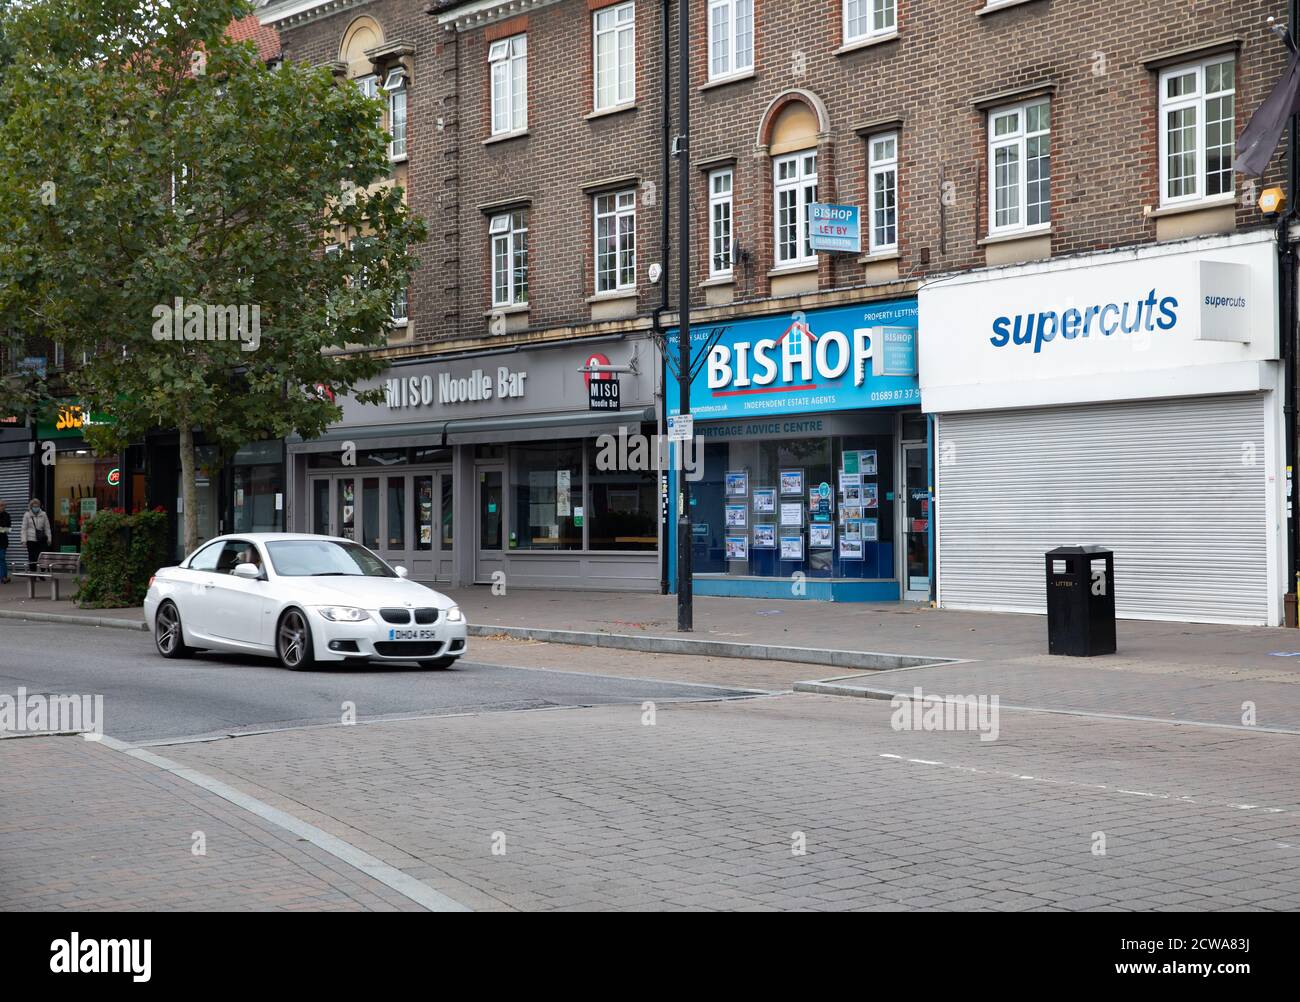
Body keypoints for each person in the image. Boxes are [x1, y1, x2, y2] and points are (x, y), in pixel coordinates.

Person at [20, 499, 52, 572]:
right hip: (30, 539)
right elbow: (24, 529)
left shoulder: (43, 514)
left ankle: (42, 571)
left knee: (41, 556)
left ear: (39, 506)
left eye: (37, 506)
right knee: (32, 557)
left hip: (41, 539)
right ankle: (33, 573)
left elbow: (47, 528)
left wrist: (49, 539)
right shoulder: (27, 515)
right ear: (31, 507)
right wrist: (23, 540)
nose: (36, 507)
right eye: (34, 506)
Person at [0, 500, 10, 583]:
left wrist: (0, 529)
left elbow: (8, 529)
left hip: (2, 541)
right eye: (1, 505)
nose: (2, 507)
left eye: (3, 505)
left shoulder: (7, 515)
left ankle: (3, 577)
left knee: (1, 558)